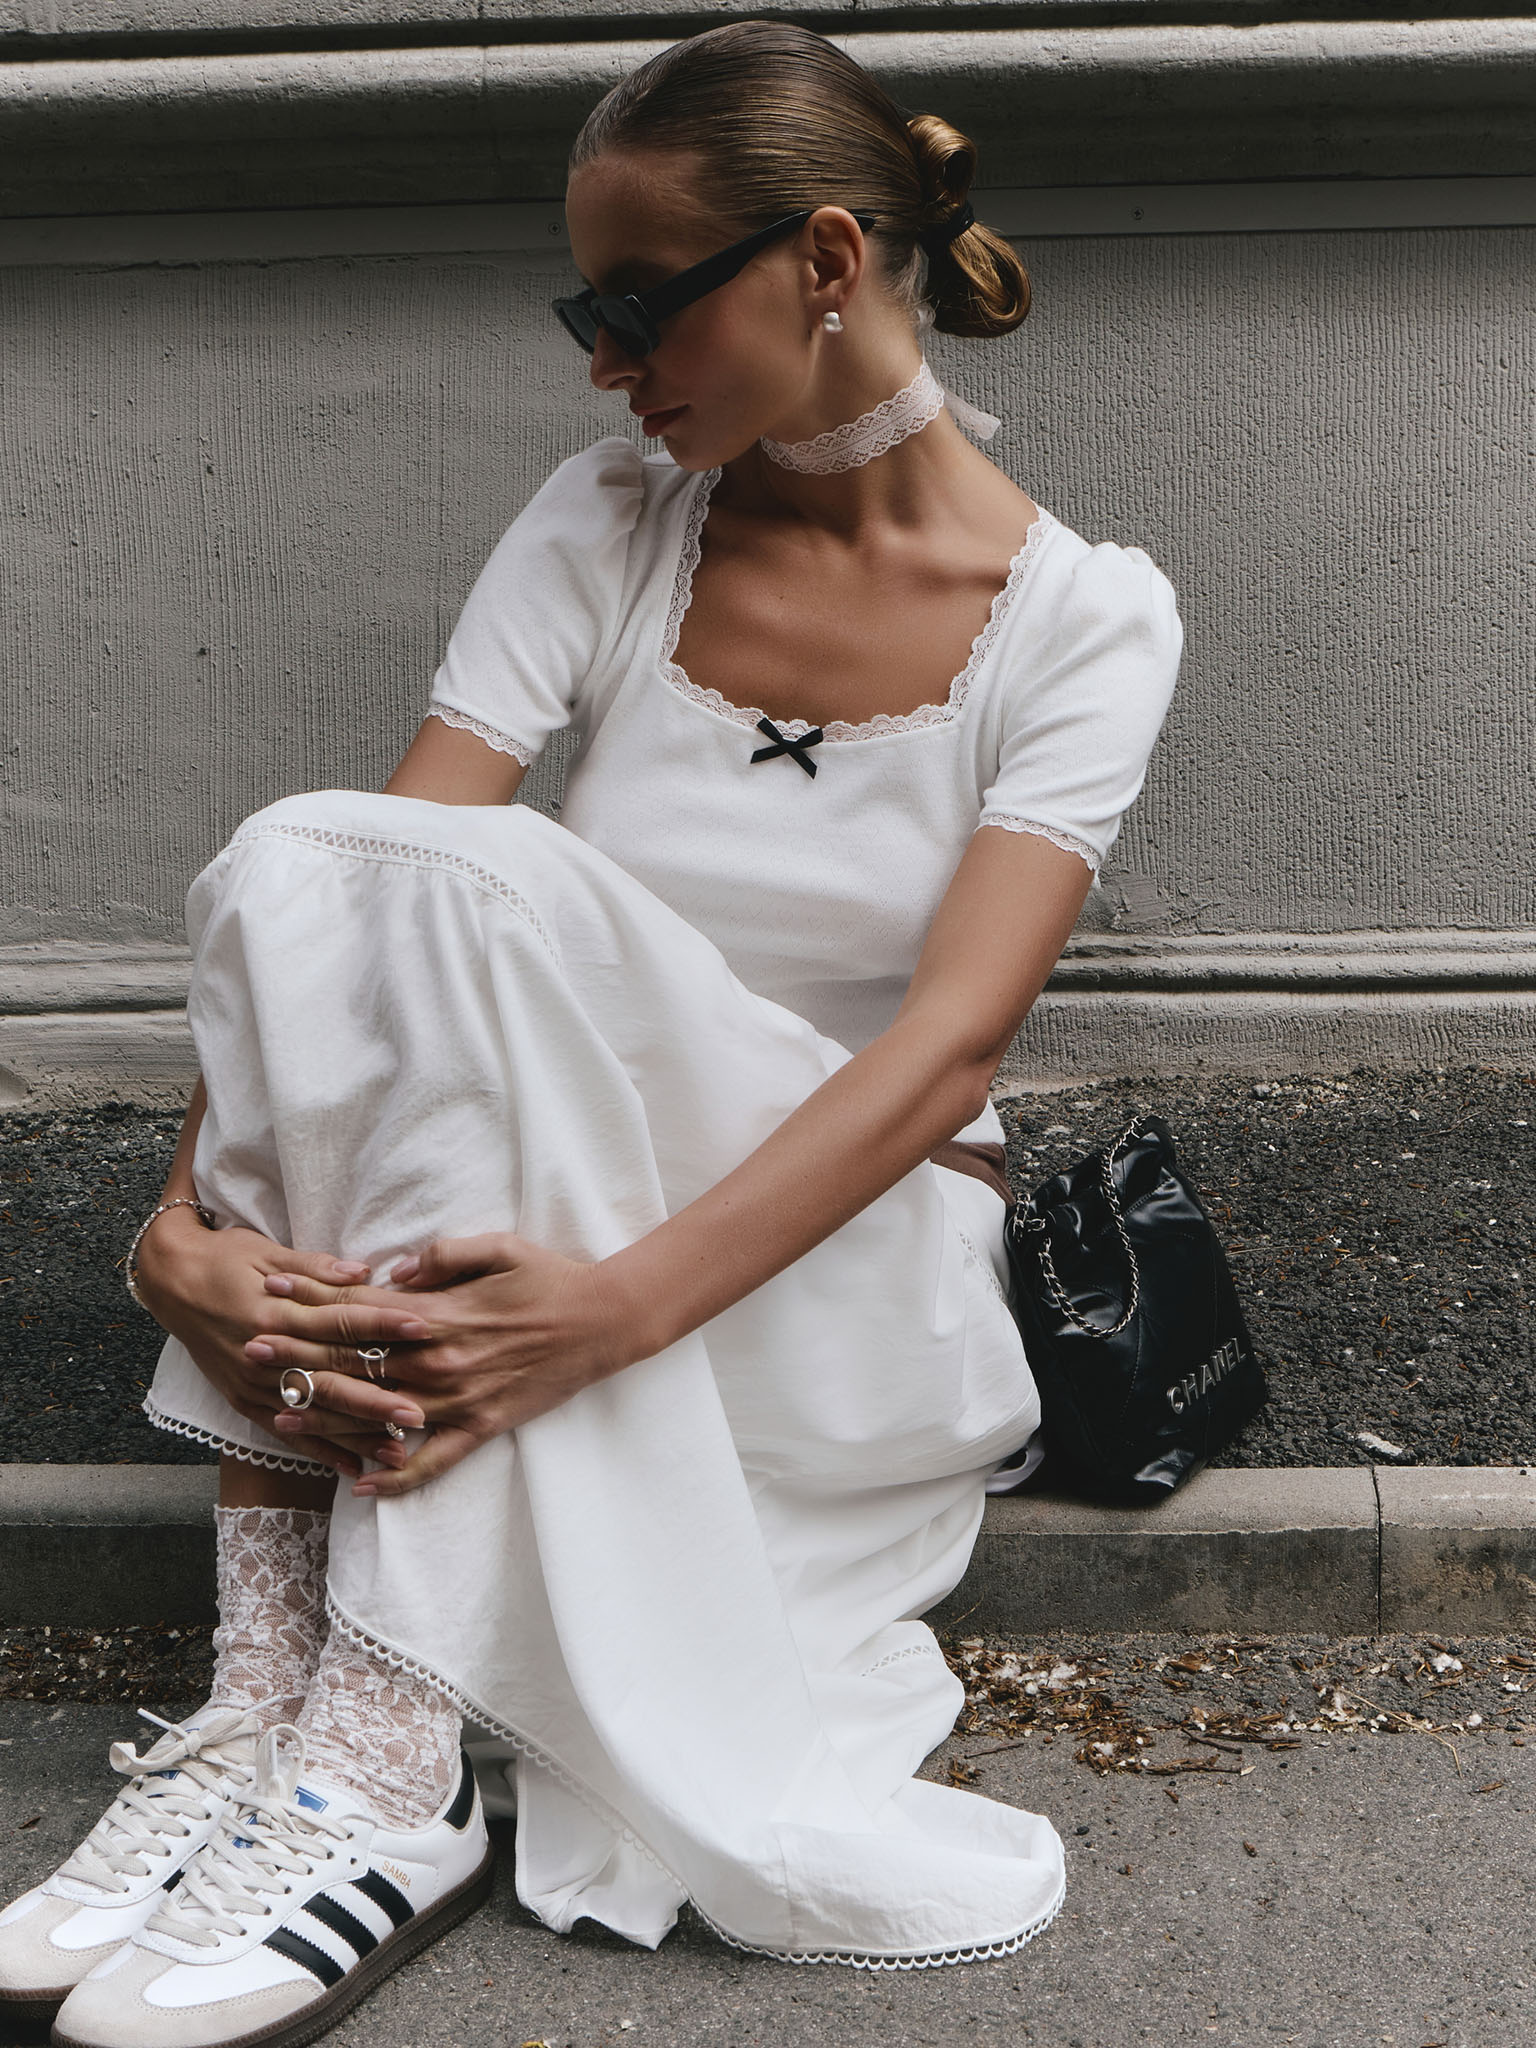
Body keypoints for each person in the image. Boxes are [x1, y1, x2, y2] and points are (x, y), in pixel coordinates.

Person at [0, 20, 1182, 2044]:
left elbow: (945, 1060)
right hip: (545, 1210)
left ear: (826, 263)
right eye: (587, 315)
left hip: (848, 1274)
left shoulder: (1085, 618)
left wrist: (611, 1312)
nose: (606, 367)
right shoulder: (614, 516)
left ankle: (391, 1768)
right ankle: (269, 1703)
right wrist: (182, 1229)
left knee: (477, 887)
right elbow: (340, 911)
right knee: (328, 856)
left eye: (636, 308)